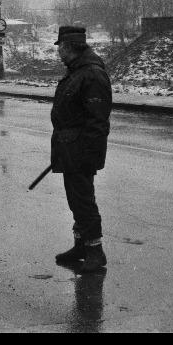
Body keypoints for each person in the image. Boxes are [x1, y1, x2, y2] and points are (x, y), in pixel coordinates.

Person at [51, 26, 112, 274]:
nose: (59, 53)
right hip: (70, 148)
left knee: (84, 201)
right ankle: (81, 246)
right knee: (76, 200)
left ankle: (95, 251)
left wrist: (87, 154)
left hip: (80, 151)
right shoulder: (78, 72)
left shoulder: (92, 75)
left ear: (70, 48)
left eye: (61, 48)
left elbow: (98, 121)